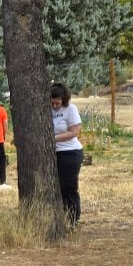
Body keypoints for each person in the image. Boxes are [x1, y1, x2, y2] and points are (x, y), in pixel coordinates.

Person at [48, 84, 84, 224]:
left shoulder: (70, 109)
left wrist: (52, 138)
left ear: (64, 99)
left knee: (68, 186)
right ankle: (60, 216)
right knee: (56, 187)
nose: (55, 106)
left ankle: (73, 218)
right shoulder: (46, 109)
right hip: (53, 153)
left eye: (58, 103)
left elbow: (75, 132)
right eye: (52, 103)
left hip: (70, 152)